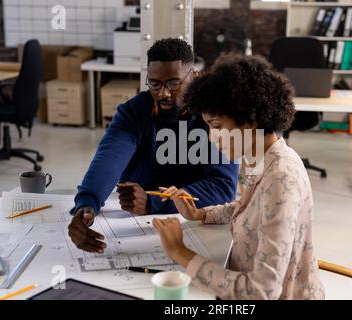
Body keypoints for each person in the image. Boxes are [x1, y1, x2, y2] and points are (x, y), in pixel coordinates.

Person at [153, 54, 325, 300]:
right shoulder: (262, 158)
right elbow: (248, 207)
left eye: (218, 126)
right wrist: (200, 214)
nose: (212, 138)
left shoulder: (281, 179)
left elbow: (261, 291)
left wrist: (179, 252)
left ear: (251, 120)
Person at [68, 39, 239, 254]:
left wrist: (154, 202)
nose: (163, 94)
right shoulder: (133, 113)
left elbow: (223, 186)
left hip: (198, 224)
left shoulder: (214, 116)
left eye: (174, 83)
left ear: (194, 76)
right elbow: (108, 160)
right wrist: (86, 205)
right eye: (155, 84)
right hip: (136, 225)